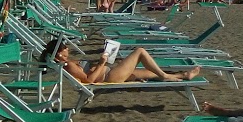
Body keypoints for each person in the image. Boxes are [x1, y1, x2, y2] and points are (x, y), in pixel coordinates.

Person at [44, 38, 199, 85]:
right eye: (64, 48)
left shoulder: (68, 63)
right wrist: (101, 63)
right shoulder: (68, 65)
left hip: (111, 72)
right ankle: (166, 76)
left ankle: (183, 75)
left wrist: (101, 61)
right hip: (110, 76)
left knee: (151, 73)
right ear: (58, 54)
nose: (68, 50)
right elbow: (89, 81)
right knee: (140, 51)